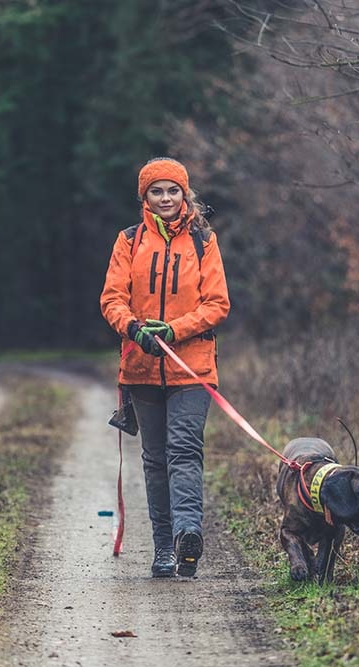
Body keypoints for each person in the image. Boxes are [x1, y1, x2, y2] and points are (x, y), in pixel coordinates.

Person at [100, 157, 230, 578]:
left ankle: (187, 533)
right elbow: (111, 298)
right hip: (140, 368)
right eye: (156, 191)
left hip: (192, 369)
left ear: (184, 194)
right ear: (145, 197)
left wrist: (173, 330)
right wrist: (133, 327)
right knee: (155, 460)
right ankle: (164, 549)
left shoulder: (203, 241)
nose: (166, 198)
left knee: (184, 451)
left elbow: (217, 304)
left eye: (173, 190)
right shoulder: (129, 240)